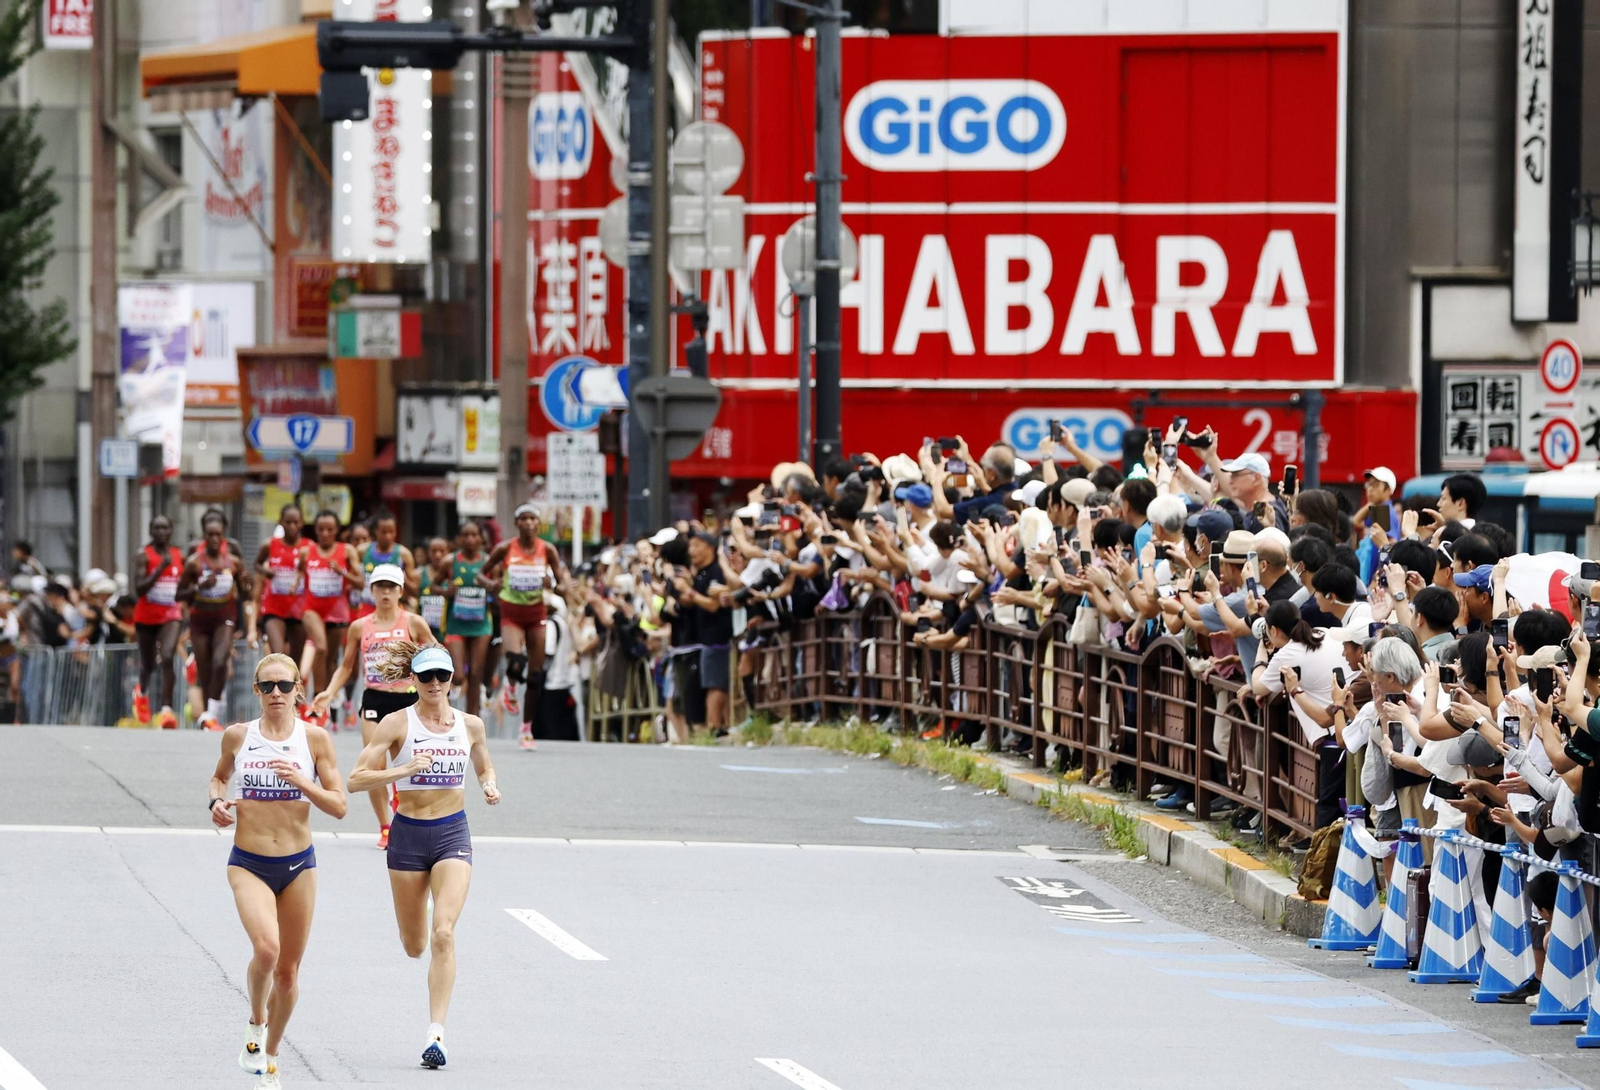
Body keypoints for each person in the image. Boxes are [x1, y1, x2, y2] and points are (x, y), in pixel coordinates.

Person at [347, 642, 500, 1070]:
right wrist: (403, 770)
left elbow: (485, 765)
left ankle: (437, 1033)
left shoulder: (470, 725)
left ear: (453, 679)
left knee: (444, 934)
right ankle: (426, 906)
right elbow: (356, 780)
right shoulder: (397, 723)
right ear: (412, 680)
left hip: (452, 832)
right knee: (415, 946)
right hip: (408, 835)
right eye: (426, 677)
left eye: (442, 676)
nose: (435, 684)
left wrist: (488, 784)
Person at [208, 653, 347, 1089]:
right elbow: (218, 779)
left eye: (284, 686)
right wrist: (215, 802)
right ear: (256, 691)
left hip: (298, 865)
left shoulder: (315, 740)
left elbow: (340, 806)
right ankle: (255, 1023)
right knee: (266, 950)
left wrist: (303, 781)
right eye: (267, 687)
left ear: (298, 690)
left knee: (287, 973)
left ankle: (270, 1056)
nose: (276, 694)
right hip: (248, 862)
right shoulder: (237, 736)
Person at [313, 564, 434, 847]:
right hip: (375, 700)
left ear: (401, 591)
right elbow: (345, 667)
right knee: (374, 762)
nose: (386, 592)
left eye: (392, 587)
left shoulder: (413, 623)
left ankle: (407, 811)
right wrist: (329, 693)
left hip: (407, 699)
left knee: (407, 762)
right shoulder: (359, 627)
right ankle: (385, 826)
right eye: (380, 587)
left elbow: (435, 654)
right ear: (372, 590)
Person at [479, 504, 567, 741]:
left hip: (536, 613)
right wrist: (490, 585)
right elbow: (481, 573)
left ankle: (526, 727)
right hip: (511, 613)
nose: (528, 523)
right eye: (524, 519)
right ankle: (510, 687)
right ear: (517, 523)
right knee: (516, 660)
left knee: (536, 677)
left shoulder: (547, 550)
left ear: (538, 524)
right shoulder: (505, 548)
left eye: (533, 519)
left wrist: (555, 586)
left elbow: (563, 583)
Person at [177, 511, 251, 730]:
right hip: (200, 620)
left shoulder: (234, 561)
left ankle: (211, 712)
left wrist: (247, 583)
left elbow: (246, 594)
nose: (214, 539)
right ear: (204, 535)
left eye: (218, 534)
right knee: (205, 667)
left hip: (225, 618)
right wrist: (200, 586)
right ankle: (208, 714)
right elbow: (179, 594)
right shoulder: (193, 563)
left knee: (220, 661)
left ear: (223, 535)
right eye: (210, 534)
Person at [298, 511, 362, 724]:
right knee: (321, 647)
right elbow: (299, 574)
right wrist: (293, 584)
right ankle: (315, 701)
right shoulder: (307, 552)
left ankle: (324, 703)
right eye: (321, 529)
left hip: (337, 612)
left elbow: (362, 582)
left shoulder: (346, 551)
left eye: (330, 529)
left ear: (337, 530)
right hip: (311, 609)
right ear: (315, 530)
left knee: (332, 661)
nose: (325, 533)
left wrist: (343, 573)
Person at [131, 514, 185, 728]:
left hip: (171, 615)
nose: (162, 532)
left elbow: (183, 584)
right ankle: (142, 692)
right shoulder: (144, 555)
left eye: (165, 528)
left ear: (171, 531)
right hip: (146, 616)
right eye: (157, 528)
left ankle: (166, 711)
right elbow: (140, 588)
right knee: (148, 663)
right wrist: (161, 567)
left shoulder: (178, 554)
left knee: (168, 655)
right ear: (151, 531)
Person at [443, 521, 494, 719]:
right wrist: (446, 591)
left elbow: (498, 587)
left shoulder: (488, 561)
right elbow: (434, 585)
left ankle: (472, 718)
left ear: (481, 539)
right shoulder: (451, 561)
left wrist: (492, 587)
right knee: (458, 675)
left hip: (481, 625)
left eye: (474, 535)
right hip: (456, 624)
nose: (470, 539)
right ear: (459, 539)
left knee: (475, 673)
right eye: (466, 535)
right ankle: (445, 710)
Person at [253, 505, 308, 660]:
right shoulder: (269, 545)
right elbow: (256, 564)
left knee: (295, 661)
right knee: (278, 656)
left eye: (295, 522)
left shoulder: (308, 547)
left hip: (299, 609)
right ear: (280, 522)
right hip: (274, 608)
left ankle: (293, 684)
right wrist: (266, 571)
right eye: (287, 522)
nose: (291, 526)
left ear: (301, 523)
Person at [355, 513, 418, 621]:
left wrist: (402, 578)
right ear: (375, 531)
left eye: (391, 532)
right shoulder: (362, 551)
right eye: (383, 532)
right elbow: (353, 577)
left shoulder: (403, 554)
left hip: (394, 609)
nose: (388, 536)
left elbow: (415, 590)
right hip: (367, 606)